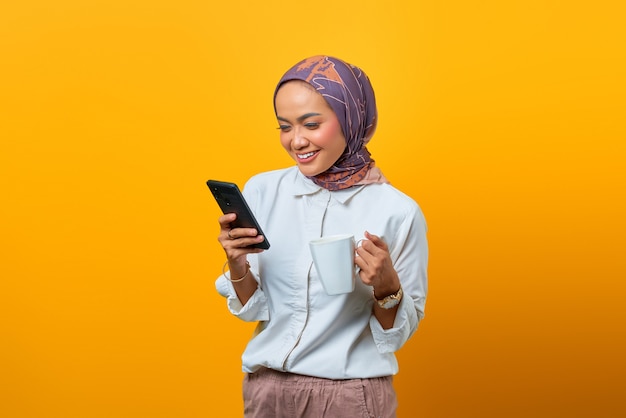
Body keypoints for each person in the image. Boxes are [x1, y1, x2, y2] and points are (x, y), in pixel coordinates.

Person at [215, 55, 428, 418]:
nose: (296, 141)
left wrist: (386, 287)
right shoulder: (264, 190)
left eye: (311, 124)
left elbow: (395, 336)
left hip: (348, 397)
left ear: (350, 119)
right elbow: (255, 310)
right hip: (266, 392)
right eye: (284, 127)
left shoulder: (397, 211)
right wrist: (236, 263)